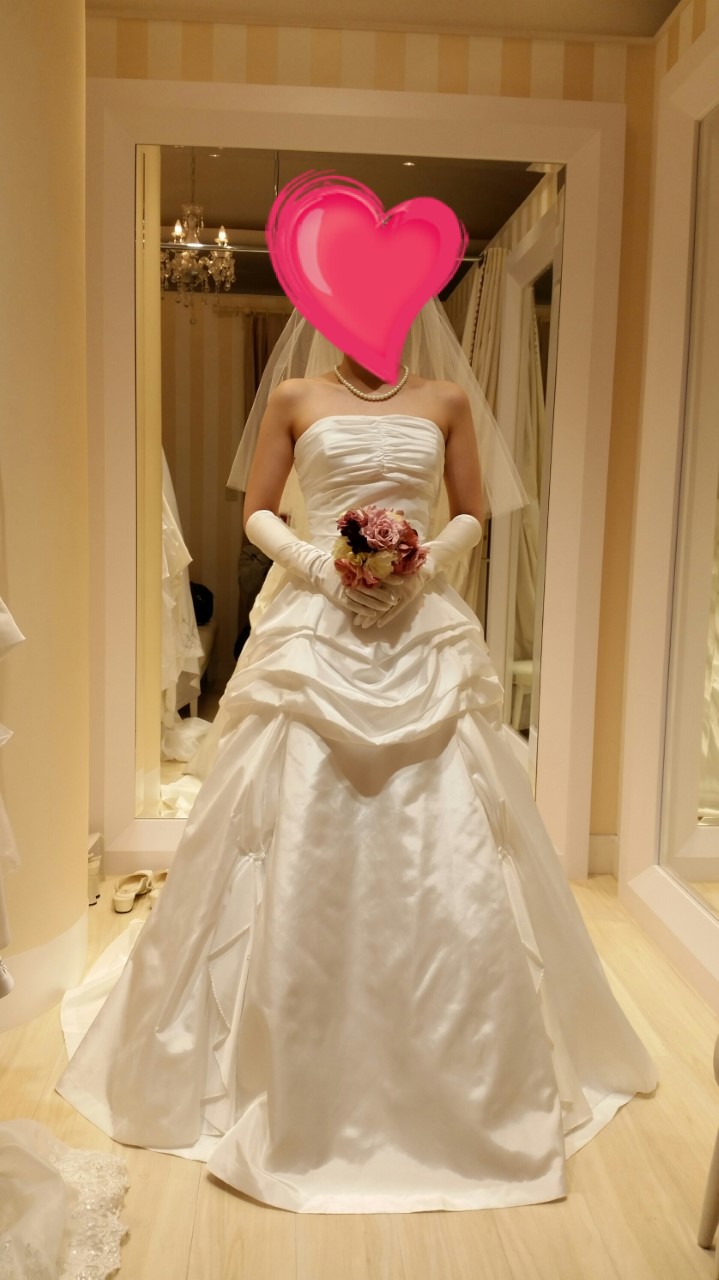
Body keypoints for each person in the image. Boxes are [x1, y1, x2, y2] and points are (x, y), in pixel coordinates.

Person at [56, 303, 658, 1215]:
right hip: (317, 620)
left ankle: (467, 1066)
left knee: (452, 821)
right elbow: (258, 511)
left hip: (419, 623)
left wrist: (417, 566)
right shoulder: (296, 396)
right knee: (288, 810)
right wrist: (321, 570)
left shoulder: (445, 398)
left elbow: (471, 513)